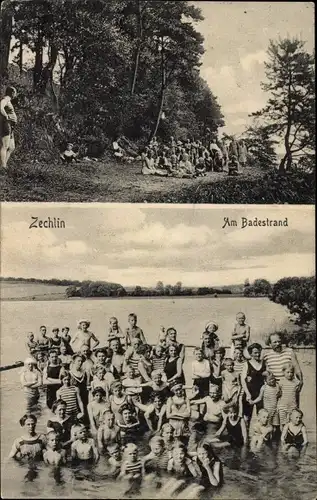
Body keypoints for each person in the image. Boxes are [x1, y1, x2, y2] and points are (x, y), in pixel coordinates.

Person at [263, 333, 303, 404]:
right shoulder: (266, 356)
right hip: (275, 387)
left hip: (289, 386)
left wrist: (301, 382)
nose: (278, 344)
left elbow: (297, 368)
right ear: (269, 344)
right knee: (276, 411)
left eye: (279, 341)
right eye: (275, 342)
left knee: (293, 410)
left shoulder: (290, 351)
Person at [241, 343, 266, 422]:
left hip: (261, 393)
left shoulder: (264, 363)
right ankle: (245, 433)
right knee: (246, 416)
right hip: (249, 392)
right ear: (251, 353)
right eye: (255, 353)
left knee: (262, 415)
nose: (258, 354)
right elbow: (243, 380)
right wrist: (247, 393)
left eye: (259, 352)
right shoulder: (246, 364)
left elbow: (267, 377)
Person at [277, 363, 300, 429]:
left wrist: (295, 376)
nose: (290, 374)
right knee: (283, 423)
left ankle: (289, 438)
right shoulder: (281, 381)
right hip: (282, 406)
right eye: (288, 372)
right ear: (283, 372)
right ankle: (282, 437)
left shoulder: (295, 382)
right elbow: (278, 393)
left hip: (292, 406)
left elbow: (299, 383)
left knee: (291, 423)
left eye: (291, 372)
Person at [0, 86, 17, 169]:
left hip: (11, 126)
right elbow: (0, 107)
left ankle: (3, 165)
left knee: (12, 147)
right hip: (7, 124)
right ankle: (3, 167)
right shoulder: (6, 99)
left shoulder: (9, 101)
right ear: (12, 92)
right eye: (15, 92)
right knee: (5, 146)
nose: (15, 94)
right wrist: (6, 116)